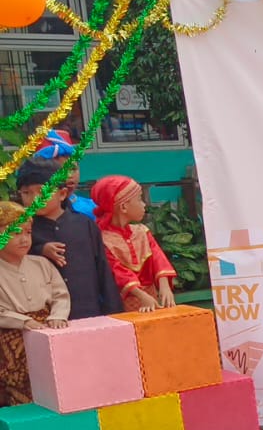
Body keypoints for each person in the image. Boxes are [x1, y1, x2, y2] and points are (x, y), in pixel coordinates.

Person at [15, 159, 120, 319]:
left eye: (42, 191)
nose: (35, 199)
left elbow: (103, 270)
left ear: (62, 194)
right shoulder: (20, 229)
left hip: (87, 312)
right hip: (44, 317)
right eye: (26, 192)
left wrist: (115, 313)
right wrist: (39, 250)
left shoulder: (84, 225)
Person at [0, 202, 71, 406]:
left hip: (48, 331)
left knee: (54, 383)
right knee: (18, 387)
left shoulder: (41, 263)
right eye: (15, 233)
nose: (24, 239)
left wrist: (58, 315)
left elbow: (60, 295)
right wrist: (22, 321)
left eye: (28, 232)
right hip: (10, 339)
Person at [91, 176, 177, 313]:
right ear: (124, 207)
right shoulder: (103, 239)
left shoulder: (141, 232)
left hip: (150, 297)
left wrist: (164, 285)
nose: (144, 205)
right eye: (139, 199)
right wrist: (141, 295)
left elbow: (158, 258)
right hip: (121, 302)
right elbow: (117, 272)